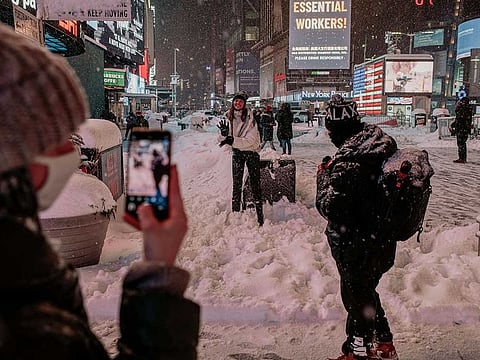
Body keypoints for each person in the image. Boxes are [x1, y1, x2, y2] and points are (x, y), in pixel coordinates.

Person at [0, 23, 199, 359]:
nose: (72, 154)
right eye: (59, 138)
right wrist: (157, 277)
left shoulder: (23, 269)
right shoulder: (26, 327)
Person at [316, 94, 399, 360]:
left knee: (357, 298)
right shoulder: (379, 144)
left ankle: (358, 351)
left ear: (335, 128)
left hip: (356, 242)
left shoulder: (350, 163)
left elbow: (330, 207)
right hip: (382, 237)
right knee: (365, 292)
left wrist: (323, 178)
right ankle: (384, 344)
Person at [217, 92, 264, 226]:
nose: (238, 103)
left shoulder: (251, 118)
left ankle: (260, 214)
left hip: (252, 153)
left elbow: (251, 140)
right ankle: (235, 213)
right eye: (236, 101)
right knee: (236, 184)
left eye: (240, 101)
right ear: (233, 102)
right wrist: (224, 135)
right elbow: (221, 140)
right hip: (237, 153)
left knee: (255, 184)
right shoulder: (228, 117)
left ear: (244, 104)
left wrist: (232, 140)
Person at [452, 96, 473, 163]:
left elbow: (460, 119)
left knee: (461, 143)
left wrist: (458, 108)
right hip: (463, 128)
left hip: (462, 128)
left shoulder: (464, 109)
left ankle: (462, 158)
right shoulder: (466, 109)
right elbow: (459, 119)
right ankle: (462, 157)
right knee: (462, 143)